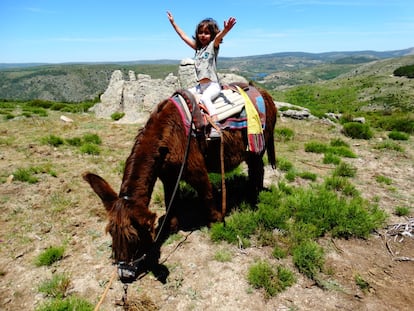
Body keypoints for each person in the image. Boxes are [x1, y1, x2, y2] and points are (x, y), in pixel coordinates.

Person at [167, 11, 236, 135]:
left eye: (207, 33)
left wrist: (226, 30)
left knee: (205, 99)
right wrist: (173, 22)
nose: (203, 35)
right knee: (183, 95)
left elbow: (218, 38)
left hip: (212, 85)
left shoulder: (212, 47)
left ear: (212, 34)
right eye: (200, 32)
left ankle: (216, 125)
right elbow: (183, 36)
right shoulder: (198, 50)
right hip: (200, 86)